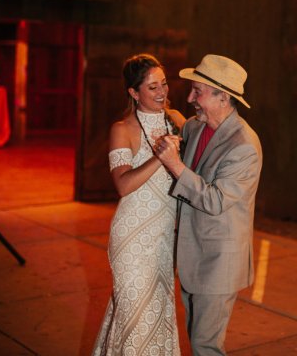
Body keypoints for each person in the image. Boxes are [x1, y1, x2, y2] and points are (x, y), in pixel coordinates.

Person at [156, 54, 262, 356]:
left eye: (197, 92)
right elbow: (180, 124)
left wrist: (176, 166)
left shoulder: (244, 146)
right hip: (193, 255)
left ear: (223, 97)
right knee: (196, 338)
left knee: (205, 345)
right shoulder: (195, 127)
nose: (190, 98)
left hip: (219, 263)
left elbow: (215, 201)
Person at [92, 53, 185, 356]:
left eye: (164, 84)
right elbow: (123, 184)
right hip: (132, 237)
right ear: (133, 92)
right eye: (152, 88)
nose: (163, 93)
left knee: (157, 313)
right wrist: (160, 156)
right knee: (134, 316)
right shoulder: (122, 129)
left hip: (164, 236)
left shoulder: (177, 121)